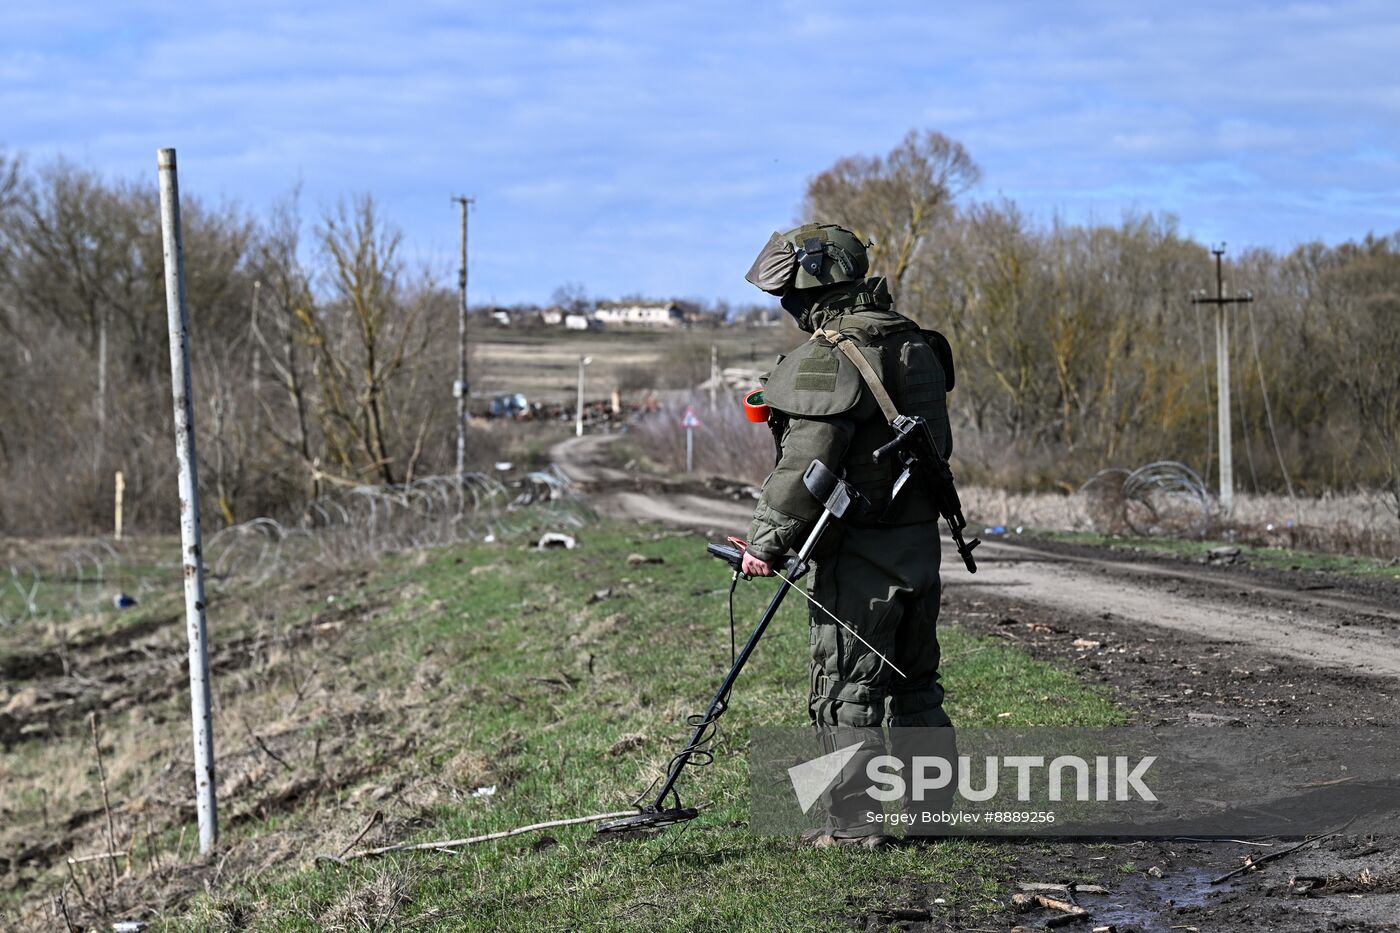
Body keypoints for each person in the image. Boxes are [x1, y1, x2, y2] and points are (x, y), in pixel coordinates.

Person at [741, 223, 956, 847]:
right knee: (916, 684)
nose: (787, 310)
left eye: (789, 299)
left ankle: (855, 824)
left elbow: (804, 467)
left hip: (860, 550)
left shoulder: (831, 355)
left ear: (810, 291)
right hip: (919, 543)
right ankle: (929, 814)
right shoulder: (916, 342)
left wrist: (764, 542)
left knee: (848, 690)